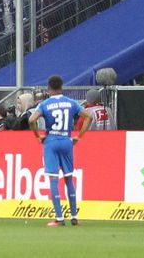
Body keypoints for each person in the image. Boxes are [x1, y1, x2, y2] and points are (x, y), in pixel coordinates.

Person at [29, 75, 93, 227]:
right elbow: (89, 116)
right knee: (69, 178)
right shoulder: (71, 102)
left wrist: (38, 136)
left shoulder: (45, 104)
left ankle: (59, 218)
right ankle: (74, 216)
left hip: (51, 141)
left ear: (49, 88)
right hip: (66, 141)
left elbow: (32, 120)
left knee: (53, 179)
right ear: (61, 87)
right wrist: (79, 136)